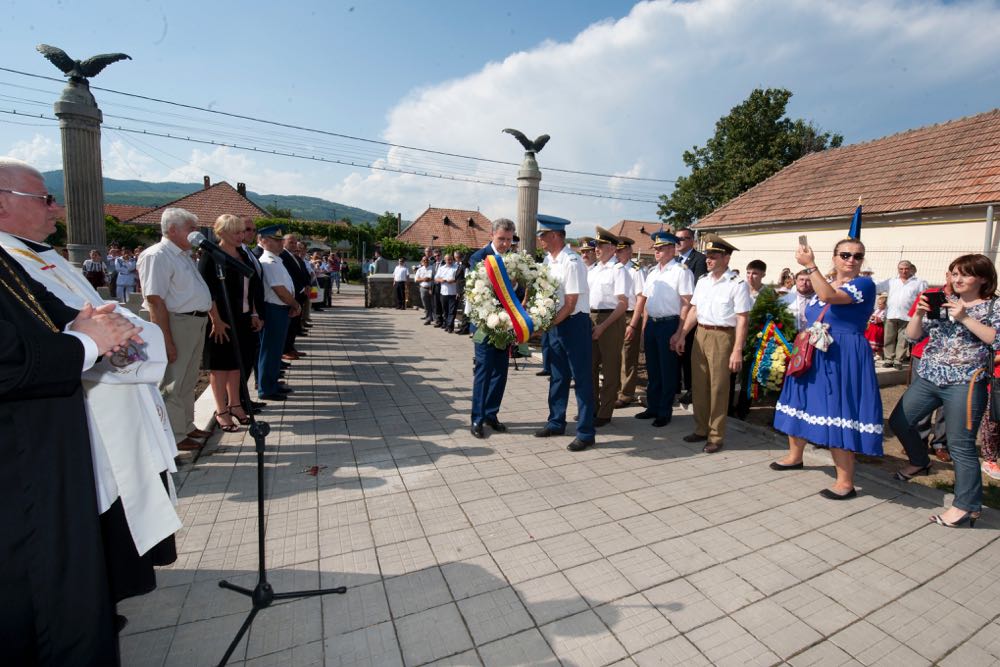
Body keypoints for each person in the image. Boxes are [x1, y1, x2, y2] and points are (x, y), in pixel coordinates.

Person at [1, 243, 147, 664]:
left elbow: (45, 307)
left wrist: (91, 323)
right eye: (43, 199)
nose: (53, 207)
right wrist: (86, 342)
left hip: (46, 447)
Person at [888, 254, 1000, 526]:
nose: (957, 279)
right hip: (928, 377)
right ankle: (919, 460)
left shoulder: (993, 306)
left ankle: (967, 506)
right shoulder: (943, 300)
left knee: (960, 444)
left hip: (965, 382)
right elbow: (914, 336)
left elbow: (995, 340)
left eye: (965, 274)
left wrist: (964, 317)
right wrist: (919, 313)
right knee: (899, 422)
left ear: (983, 278)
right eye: (953, 273)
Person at [771, 238, 882, 500]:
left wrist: (810, 265)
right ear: (834, 258)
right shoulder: (828, 280)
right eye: (845, 255)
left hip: (842, 354)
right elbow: (815, 305)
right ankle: (795, 456)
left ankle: (845, 482)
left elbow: (828, 297)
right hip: (813, 350)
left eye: (857, 256)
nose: (851, 260)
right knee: (801, 399)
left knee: (837, 408)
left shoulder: (864, 284)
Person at [137, 207, 216, 453]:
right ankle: (174, 434)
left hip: (194, 322)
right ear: (172, 229)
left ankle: (186, 425)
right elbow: (155, 300)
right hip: (176, 322)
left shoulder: (182, 255)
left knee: (188, 378)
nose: (195, 233)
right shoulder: (157, 255)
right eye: (190, 228)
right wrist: (166, 339)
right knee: (172, 381)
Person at [671, 233, 751, 453]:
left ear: (726, 258)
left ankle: (716, 435)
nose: (708, 259)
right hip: (701, 334)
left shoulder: (738, 284)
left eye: (714, 255)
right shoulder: (703, 281)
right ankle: (700, 429)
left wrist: (737, 350)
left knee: (718, 387)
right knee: (699, 385)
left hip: (723, 336)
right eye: (708, 255)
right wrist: (682, 334)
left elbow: (743, 319)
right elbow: (694, 309)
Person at [535, 214, 596, 452]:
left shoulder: (572, 262)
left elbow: (570, 303)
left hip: (573, 323)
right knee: (558, 375)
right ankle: (556, 421)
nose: (540, 239)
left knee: (581, 378)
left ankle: (586, 432)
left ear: (554, 235)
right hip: (555, 323)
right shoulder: (548, 261)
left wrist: (547, 325)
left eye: (542, 235)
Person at [198, 214, 260, 431]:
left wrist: (253, 313)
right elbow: (208, 291)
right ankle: (221, 410)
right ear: (221, 232)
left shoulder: (242, 254)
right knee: (220, 365)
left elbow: (250, 288)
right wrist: (215, 319)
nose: (241, 236)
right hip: (222, 320)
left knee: (237, 364)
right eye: (237, 232)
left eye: (243, 232)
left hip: (242, 317)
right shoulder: (210, 256)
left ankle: (235, 404)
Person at [626, 231, 693, 427]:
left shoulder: (682, 271)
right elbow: (647, 302)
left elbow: (687, 304)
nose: (656, 251)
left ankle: (664, 411)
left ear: (672, 249)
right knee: (653, 369)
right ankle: (653, 407)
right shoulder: (653, 272)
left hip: (670, 324)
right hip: (653, 325)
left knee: (668, 370)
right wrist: (645, 326)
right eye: (655, 248)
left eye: (661, 248)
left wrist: (680, 332)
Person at [468, 218, 516, 438]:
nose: (506, 244)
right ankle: (477, 419)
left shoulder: (514, 259)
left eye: (509, 239)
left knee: (500, 372)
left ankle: (491, 413)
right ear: (492, 236)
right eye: (501, 239)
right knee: (483, 371)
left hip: (505, 324)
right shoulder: (478, 258)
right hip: (484, 325)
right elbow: (476, 292)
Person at [587, 227, 630, 427]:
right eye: (596, 245)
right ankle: (592, 408)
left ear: (612, 248)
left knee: (611, 368)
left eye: (601, 245)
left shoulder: (618, 270)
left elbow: (622, 303)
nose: (596, 248)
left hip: (611, 321)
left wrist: (603, 326)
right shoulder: (593, 269)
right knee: (590, 367)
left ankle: (605, 412)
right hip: (591, 317)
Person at [256, 226, 301, 401]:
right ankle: (266, 388)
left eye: (280, 240)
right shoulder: (268, 261)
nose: (279, 243)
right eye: (275, 240)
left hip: (280, 309)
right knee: (270, 350)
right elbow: (280, 290)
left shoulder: (276, 260)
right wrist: (295, 304)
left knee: (275, 350)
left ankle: (272, 383)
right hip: (274, 309)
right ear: (264, 241)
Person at [674, 228, 707, 406]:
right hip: (676, 313)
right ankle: (676, 386)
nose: (679, 242)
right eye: (676, 239)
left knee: (687, 354)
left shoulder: (700, 260)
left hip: (692, 313)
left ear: (692, 241)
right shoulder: (674, 260)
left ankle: (691, 390)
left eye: (683, 239)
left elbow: (695, 289)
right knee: (676, 352)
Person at [878, 260, 927, 369]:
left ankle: (898, 361)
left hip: (908, 316)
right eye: (901, 269)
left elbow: (923, 297)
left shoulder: (919, 282)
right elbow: (877, 287)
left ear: (910, 269)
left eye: (906, 269)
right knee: (888, 338)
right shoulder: (891, 281)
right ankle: (888, 359)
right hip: (891, 314)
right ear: (898, 269)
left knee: (903, 339)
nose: (903, 271)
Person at [615, 236, 645, 408]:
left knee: (628, 356)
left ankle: (626, 394)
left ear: (628, 250)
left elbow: (641, 298)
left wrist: (633, 324)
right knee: (615, 355)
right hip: (615, 315)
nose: (617, 253)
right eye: (616, 250)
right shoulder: (615, 267)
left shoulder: (636, 269)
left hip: (629, 314)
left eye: (620, 250)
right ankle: (615, 389)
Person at [435, 252, 459, 332]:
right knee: (445, 311)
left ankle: (450, 327)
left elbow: (460, 279)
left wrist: (453, 280)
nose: (449, 261)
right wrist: (441, 280)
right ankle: (446, 324)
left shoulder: (456, 267)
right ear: (445, 260)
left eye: (450, 259)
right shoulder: (441, 268)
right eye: (447, 260)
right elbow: (436, 278)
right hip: (443, 292)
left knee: (452, 311)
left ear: (452, 259)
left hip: (453, 292)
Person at [865, 294, 887, 358]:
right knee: (870, 337)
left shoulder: (884, 311)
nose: (878, 305)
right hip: (872, 327)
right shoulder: (877, 310)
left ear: (885, 305)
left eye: (880, 304)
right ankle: (872, 352)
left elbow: (882, 319)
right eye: (878, 304)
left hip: (878, 327)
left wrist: (875, 318)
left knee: (877, 338)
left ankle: (879, 353)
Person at [415, 256, 435, 323]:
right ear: (422, 262)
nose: (425, 261)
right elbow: (416, 279)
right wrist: (423, 279)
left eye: (426, 260)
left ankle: (433, 318)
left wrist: (430, 279)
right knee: (425, 304)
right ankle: (428, 318)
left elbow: (436, 277)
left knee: (433, 304)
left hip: (431, 288)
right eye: (424, 260)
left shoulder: (432, 268)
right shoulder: (420, 269)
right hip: (423, 289)